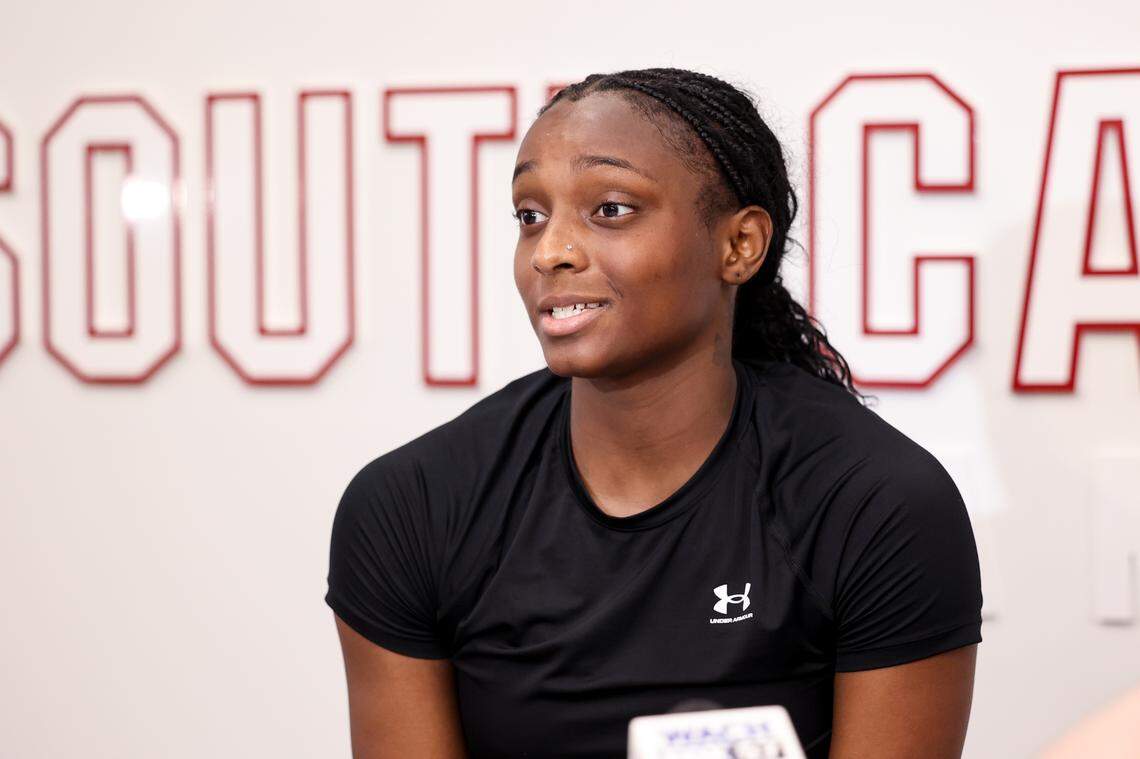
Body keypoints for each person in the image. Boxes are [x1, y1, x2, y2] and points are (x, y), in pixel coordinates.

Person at [324, 67, 983, 758]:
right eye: (530, 215)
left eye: (610, 209)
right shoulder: (412, 506)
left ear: (739, 245)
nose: (550, 251)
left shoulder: (876, 503)